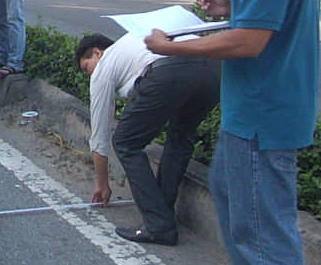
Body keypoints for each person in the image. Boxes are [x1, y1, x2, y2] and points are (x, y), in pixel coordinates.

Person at [145, 0, 320, 265]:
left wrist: (173, 47)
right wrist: (231, 7)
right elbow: (269, 18)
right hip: (260, 112)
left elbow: (249, 41)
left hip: (263, 115)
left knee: (263, 239)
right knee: (235, 204)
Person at [75, 33, 220, 246]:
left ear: (97, 52)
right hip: (211, 68)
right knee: (180, 138)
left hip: (167, 70)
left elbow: (100, 136)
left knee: (125, 142)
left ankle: (159, 225)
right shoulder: (133, 42)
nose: (90, 76)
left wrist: (102, 184)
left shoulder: (105, 66)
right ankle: (163, 212)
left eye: (87, 68)